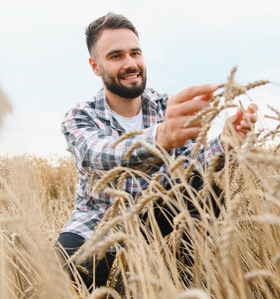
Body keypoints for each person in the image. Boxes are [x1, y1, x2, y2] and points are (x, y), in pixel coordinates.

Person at [57, 12, 258, 289]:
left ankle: (182, 276)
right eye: (116, 56)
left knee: (205, 186)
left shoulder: (166, 105)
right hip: (99, 221)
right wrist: (161, 137)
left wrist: (224, 143)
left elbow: (190, 166)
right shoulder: (80, 116)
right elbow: (101, 155)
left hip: (157, 213)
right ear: (95, 66)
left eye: (135, 53)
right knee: (70, 269)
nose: (130, 64)